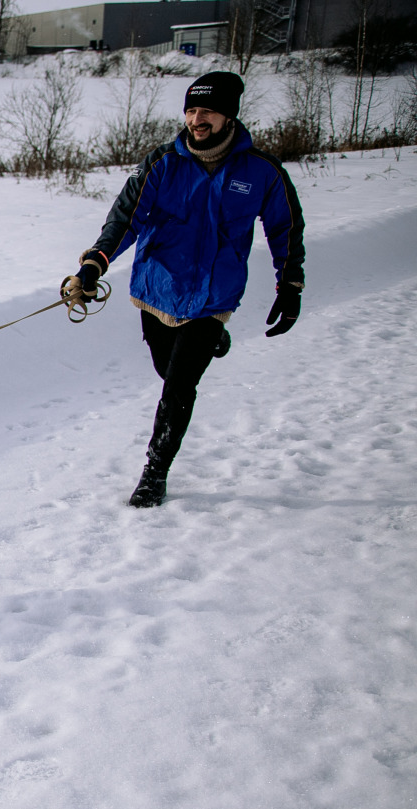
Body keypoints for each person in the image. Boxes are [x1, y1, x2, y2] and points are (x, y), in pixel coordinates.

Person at [68, 71, 306, 507]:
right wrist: (94, 264)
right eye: (192, 110)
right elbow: (126, 219)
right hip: (158, 291)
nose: (198, 119)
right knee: (166, 369)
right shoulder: (162, 163)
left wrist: (289, 284)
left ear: (228, 115)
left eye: (208, 111)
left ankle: (154, 471)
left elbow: (285, 228)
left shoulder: (262, 172)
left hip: (213, 297)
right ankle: (212, 344)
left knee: (178, 387)